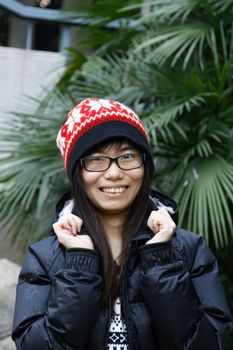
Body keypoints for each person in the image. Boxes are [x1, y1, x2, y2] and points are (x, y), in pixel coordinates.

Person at [12, 98, 232, 350]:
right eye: (96, 159)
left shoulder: (188, 250)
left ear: (145, 166)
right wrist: (80, 263)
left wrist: (161, 261)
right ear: (77, 173)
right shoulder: (46, 257)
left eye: (127, 156)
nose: (114, 173)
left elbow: (209, 344)